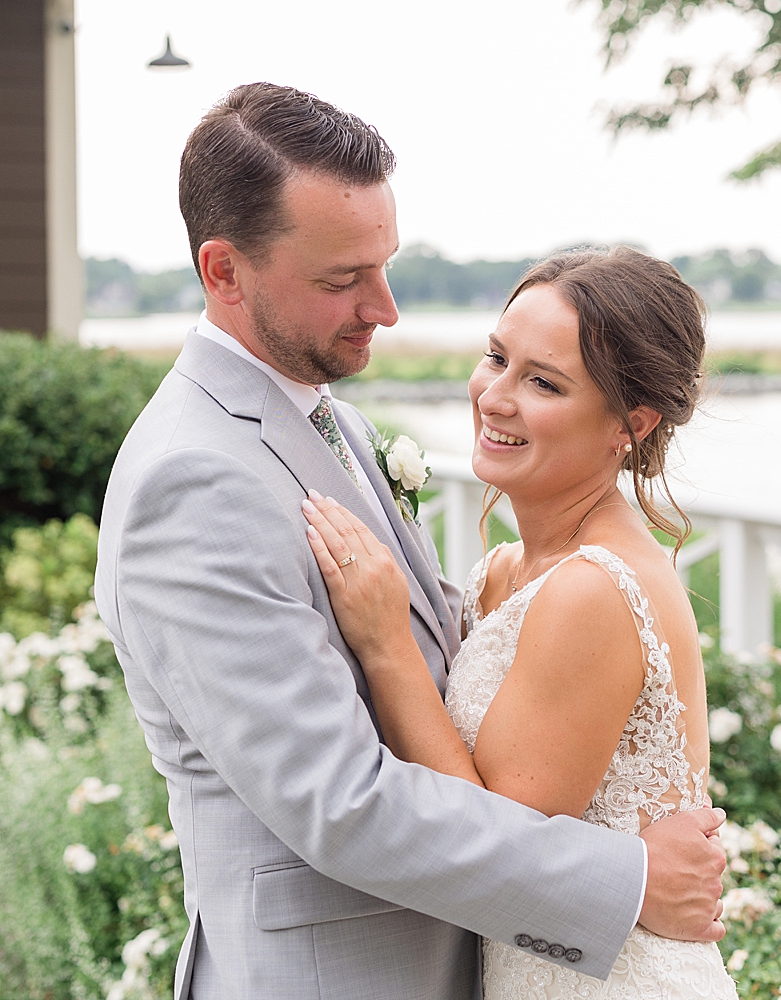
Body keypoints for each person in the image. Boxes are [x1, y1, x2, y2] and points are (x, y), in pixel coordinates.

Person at [94, 83, 727, 1000]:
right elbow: (341, 804)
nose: (384, 308)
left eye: (383, 266)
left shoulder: (333, 429)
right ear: (225, 272)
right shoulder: (192, 479)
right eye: (342, 280)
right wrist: (629, 880)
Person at [300, 245, 740, 999]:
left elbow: (488, 839)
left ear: (628, 424)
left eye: (543, 382)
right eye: (496, 358)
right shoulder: (504, 571)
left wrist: (385, 642)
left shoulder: (593, 589)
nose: (495, 397)